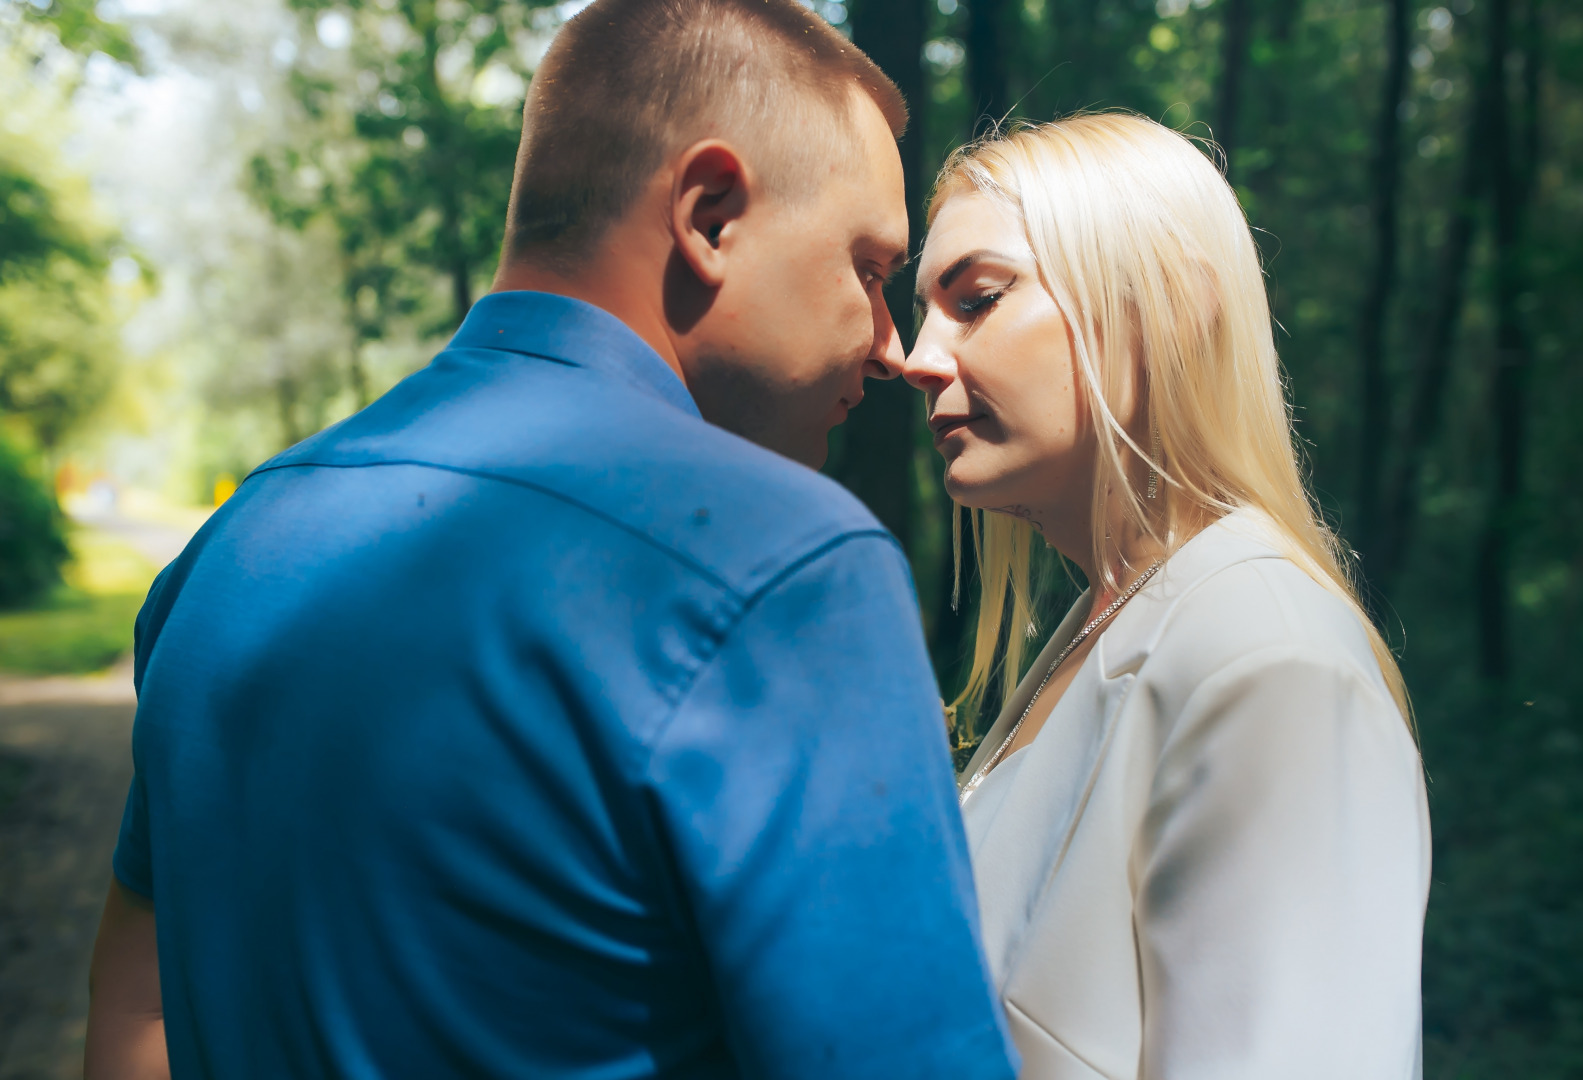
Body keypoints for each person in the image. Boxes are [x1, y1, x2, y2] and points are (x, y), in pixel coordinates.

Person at [83, 1, 1019, 1076]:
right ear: (711, 216)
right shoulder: (784, 571)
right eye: (867, 268)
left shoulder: (228, 551)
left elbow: (135, 1019)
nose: (892, 343)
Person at [905, 113, 1431, 1079]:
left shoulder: (1267, 660)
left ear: (1166, 304)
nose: (917, 355)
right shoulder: (1109, 628)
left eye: (976, 299)